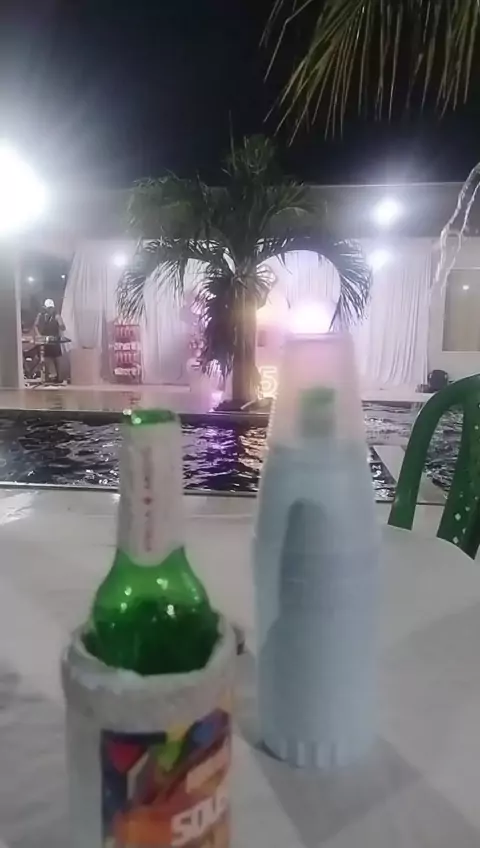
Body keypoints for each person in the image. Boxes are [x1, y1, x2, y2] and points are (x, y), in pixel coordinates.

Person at [34, 299, 65, 382]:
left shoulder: (56, 316)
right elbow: (35, 325)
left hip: (54, 339)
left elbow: (63, 327)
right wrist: (39, 335)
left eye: (51, 308)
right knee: (46, 357)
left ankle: (59, 377)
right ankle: (51, 375)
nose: (50, 310)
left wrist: (60, 322)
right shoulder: (41, 315)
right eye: (48, 308)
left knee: (57, 358)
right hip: (45, 339)